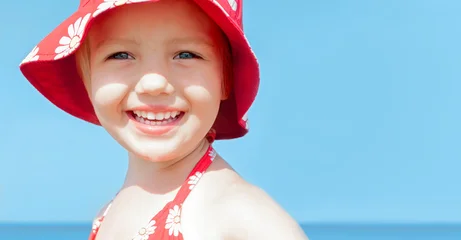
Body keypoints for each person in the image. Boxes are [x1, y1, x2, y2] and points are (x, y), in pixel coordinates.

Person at [18, 0, 308, 239]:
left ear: (225, 77)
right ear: (88, 77)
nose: (154, 83)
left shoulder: (243, 218)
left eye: (186, 54)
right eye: (121, 55)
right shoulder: (107, 213)